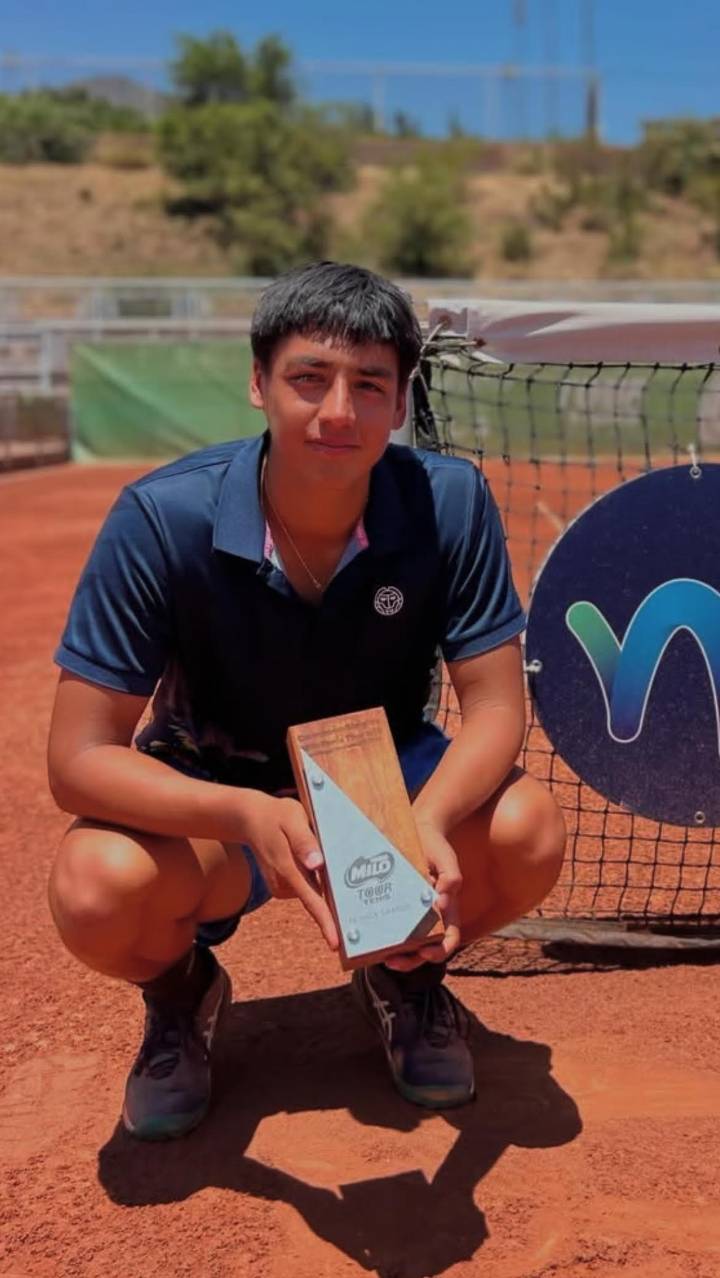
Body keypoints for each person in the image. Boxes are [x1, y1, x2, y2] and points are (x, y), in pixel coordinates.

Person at [47, 262, 566, 1142]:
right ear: (258, 384)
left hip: (386, 782)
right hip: (216, 789)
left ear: (401, 402)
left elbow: (495, 709)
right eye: (309, 379)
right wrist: (246, 813)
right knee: (96, 888)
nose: (338, 412)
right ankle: (183, 995)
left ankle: (404, 975)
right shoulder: (160, 517)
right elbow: (78, 759)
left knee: (528, 832)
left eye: (369, 385)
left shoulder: (451, 502)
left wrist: (424, 825)